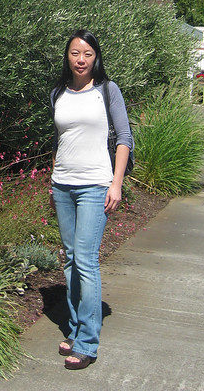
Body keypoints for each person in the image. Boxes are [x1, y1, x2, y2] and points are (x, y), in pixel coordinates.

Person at [49, 29, 133, 370]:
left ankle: (87, 342)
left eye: (87, 53)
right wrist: (53, 179)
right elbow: (60, 140)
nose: (81, 59)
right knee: (70, 260)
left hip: (96, 185)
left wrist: (116, 184)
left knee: (85, 259)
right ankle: (76, 327)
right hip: (63, 186)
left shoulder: (107, 91)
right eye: (74, 53)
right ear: (67, 57)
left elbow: (124, 137)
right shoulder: (58, 93)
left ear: (96, 57)